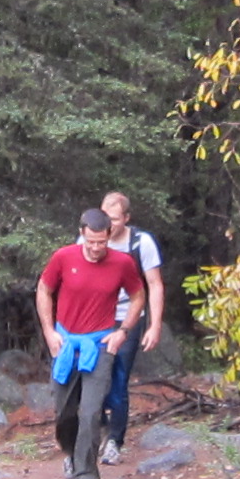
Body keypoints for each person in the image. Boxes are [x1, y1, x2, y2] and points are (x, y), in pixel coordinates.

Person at [35, 205, 147, 479]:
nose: (96, 248)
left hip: (100, 344)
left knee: (91, 411)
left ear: (109, 235)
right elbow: (44, 290)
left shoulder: (122, 263)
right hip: (66, 343)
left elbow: (138, 296)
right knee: (64, 413)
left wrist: (123, 331)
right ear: (81, 234)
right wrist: (49, 332)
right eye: (91, 242)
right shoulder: (64, 257)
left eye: (102, 242)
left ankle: (86, 475)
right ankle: (71, 454)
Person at [98, 189, 164, 463]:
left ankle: (115, 440)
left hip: (128, 317)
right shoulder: (90, 237)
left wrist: (154, 325)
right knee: (91, 376)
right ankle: (99, 427)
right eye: (105, 217)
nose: (108, 224)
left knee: (119, 378)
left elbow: (155, 284)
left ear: (126, 218)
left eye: (114, 219)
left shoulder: (141, 243)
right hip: (95, 318)